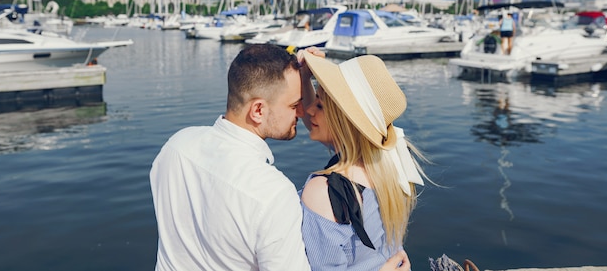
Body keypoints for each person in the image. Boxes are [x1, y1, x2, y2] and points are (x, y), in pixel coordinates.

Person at [150, 43, 409, 271]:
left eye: (315, 104)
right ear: (259, 110)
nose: (302, 111)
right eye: (293, 104)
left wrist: (302, 79)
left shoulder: (176, 146)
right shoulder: (274, 194)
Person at [297, 51, 426, 271]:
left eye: (320, 105)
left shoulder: (325, 193)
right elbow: (322, 125)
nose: (308, 111)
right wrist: (304, 77)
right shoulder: (395, 162)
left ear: (343, 123)